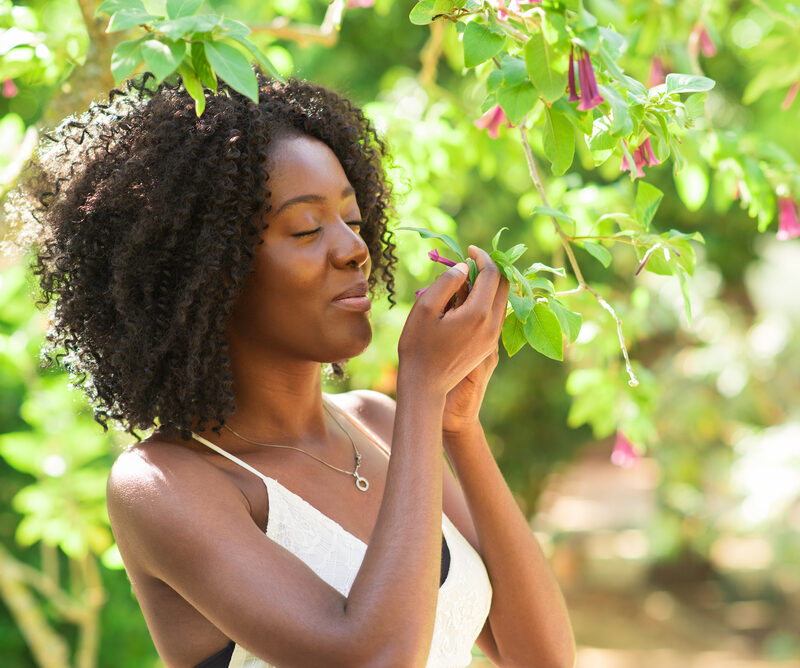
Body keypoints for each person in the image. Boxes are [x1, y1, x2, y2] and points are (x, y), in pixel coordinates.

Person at [22, 72, 575, 667]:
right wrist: (421, 391)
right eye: (307, 229)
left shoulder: (381, 426)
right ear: (210, 275)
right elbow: (375, 660)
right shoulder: (164, 485)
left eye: (354, 222)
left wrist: (458, 426)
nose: (354, 250)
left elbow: (541, 657)